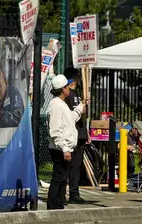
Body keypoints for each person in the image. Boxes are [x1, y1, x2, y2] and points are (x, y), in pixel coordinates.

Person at [46, 74, 84, 210]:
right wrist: (65, 149)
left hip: (62, 147)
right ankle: (52, 206)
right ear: (63, 89)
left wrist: (80, 108)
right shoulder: (56, 105)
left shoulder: (60, 104)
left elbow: (70, 119)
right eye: (68, 86)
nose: (69, 88)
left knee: (62, 178)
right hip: (59, 148)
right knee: (58, 177)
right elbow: (55, 131)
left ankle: (59, 204)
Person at [63, 67, 91, 204]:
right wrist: (82, 106)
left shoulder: (73, 94)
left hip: (79, 133)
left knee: (74, 165)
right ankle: (73, 193)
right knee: (74, 166)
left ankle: (72, 192)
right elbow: (76, 114)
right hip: (75, 134)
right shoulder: (72, 94)